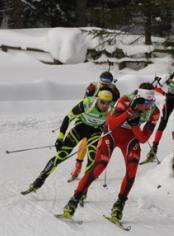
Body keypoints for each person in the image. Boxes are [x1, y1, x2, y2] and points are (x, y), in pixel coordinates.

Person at [60, 82, 160, 223]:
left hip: (130, 139)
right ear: (138, 98)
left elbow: (143, 139)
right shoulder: (126, 100)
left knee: (132, 171)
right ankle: (74, 200)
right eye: (145, 102)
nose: (148, 106)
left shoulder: (154, 112)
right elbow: (111, 124)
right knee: (100, 166)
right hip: (112, 134)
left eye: (152, 101)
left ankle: (119, 205)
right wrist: (129, 112)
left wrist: (135, 125)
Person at [21, 90, 114, 195]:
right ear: (97, 100)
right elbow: (67, 118)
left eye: (108, 102)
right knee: (62, 155)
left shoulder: (112, 109)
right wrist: (60, 138)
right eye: (102, 102)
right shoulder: (87, 103)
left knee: (92, 158)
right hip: (80, 127)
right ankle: (38, 182)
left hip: (95, 131)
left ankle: (83, 190)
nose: (105, 105)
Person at [69, 71, 120, 181]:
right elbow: (84, 102)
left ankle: (90, 168)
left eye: (108, 82)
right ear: (99, 80)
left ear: (111, 82)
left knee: (95, 143)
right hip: (89, 115)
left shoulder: (115, 91)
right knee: (85, 140)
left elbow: (112, 108)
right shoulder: (93, 87)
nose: (105, 85)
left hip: (101, 118)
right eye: (103, 82)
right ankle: (78, 167)